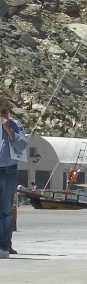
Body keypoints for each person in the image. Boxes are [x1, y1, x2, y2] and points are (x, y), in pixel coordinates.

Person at [0, 96, 28, 260]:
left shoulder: (15, 125)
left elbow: (22, 145)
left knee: (6, 209)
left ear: (9, 112)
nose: (1, 115)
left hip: (8, 171)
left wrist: (8, 129)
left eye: (4, 112)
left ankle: (5, 245)